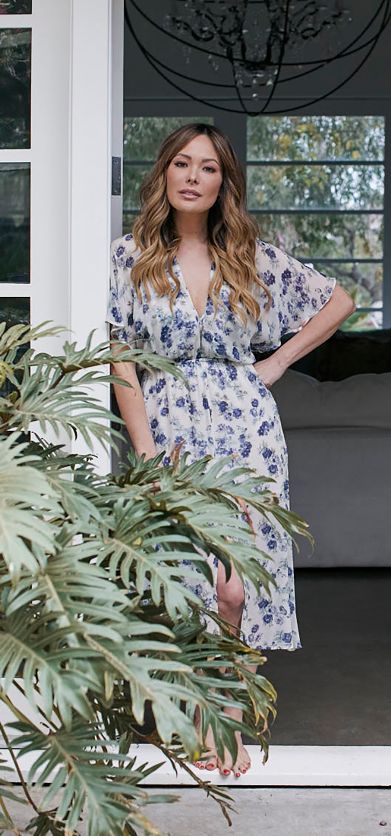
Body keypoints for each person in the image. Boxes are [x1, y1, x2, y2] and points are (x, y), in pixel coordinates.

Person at [106, 122, 355, 777]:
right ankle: (195, 718)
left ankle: (230, 716)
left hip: (247, 433)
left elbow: (339, 302)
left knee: (238, 589)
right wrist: (146, 449)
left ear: (224, 183)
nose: (194, 177)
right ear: (164, 174)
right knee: (185, 581)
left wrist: (274, 365)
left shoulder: (251, 255)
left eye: (209, 168)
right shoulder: (128, 256)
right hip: (168, 432)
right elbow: (120, 359)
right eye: (183, 164)